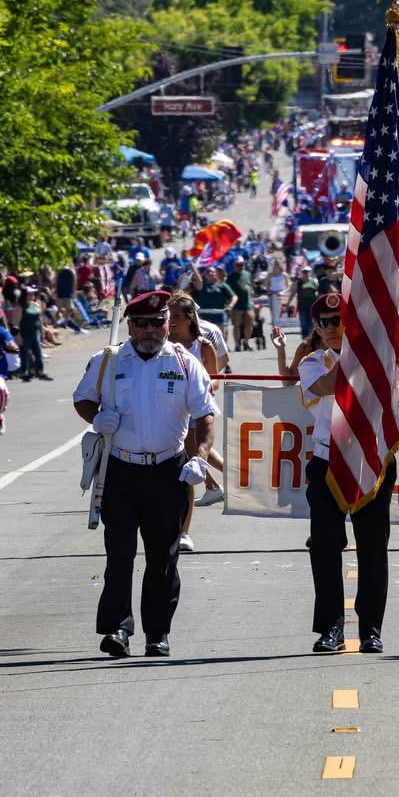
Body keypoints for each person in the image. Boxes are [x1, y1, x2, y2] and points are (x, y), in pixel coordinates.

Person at [73, 290, 217, 658]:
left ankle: (157, 632)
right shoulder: (108, 361)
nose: (150, 330)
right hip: (120, 469)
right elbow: (82, 397)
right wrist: (97, 417)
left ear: (168, 324)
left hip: (168, 470)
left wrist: (200, 457)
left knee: (163, 558)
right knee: (119, 554)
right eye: (141, 323)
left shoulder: (185, 363)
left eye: (157, 323)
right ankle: (118, 629)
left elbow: (205, 414)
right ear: (130, 326)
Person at [298, 293, 395, 654]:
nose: (330, 328)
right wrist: (358, 354)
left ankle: (371, 629)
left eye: (338, 320)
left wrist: (371, 349)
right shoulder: (313, 361)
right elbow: (325, 387)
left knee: (373, 548)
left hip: (371, 459)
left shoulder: (380, 359)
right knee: (325, 546)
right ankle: (331, 628)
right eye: (323, 322)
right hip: (328, 461)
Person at [168, 292, 225, 549]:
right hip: (170, 413)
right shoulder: (163, 345)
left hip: (196, 414)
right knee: (178, 469)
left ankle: (184, 531)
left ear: (190, 317)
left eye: (176, 316)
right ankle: (232, 476)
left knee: (189, 467)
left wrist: (203, 387)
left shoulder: (203, 346)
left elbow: (215, 378)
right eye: (168, 316)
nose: (170, 321)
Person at [226, 257, 255, 352]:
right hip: (236, 306)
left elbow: (251, 287)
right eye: (238, 265)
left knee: (249, 324)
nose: (240, 267)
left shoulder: (247, 274)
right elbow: (227, 292)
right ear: (234, 265)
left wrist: (252, 299)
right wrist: (229, 304)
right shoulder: (230, 277)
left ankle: (246, 342)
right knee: (237, 325)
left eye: (242, 264)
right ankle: (237, 343)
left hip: (248, 304)